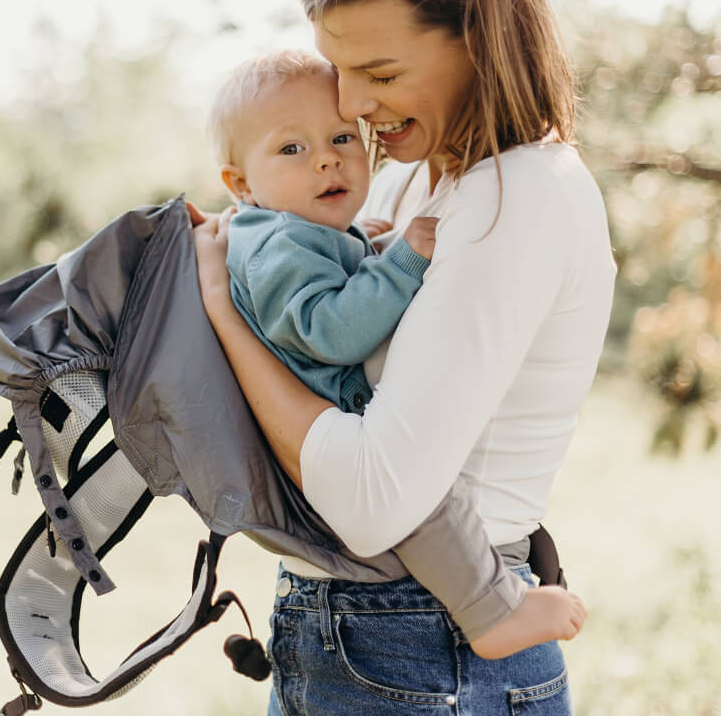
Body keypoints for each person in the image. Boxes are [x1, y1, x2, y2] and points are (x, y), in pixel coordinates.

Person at [191, 0, 616, 713]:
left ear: (476, 39)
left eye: (378, 71)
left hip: (432, 645)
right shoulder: (399, 189)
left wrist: (223, 313)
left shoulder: (516, 195)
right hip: (340, 632)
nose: (352, 105)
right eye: (339, 70)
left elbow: (370, 501)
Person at [206, 47, 586, 662]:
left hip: (332, 457)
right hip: (336, 424)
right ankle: (491, 612)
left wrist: (375, 246)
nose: (327, 157)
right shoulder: (277, 242)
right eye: (292, 149)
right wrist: (402, 261)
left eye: (338, 137)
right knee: (420, 498)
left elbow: (336, 273)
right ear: (241, 184)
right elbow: (331, 329)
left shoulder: (296, 227)